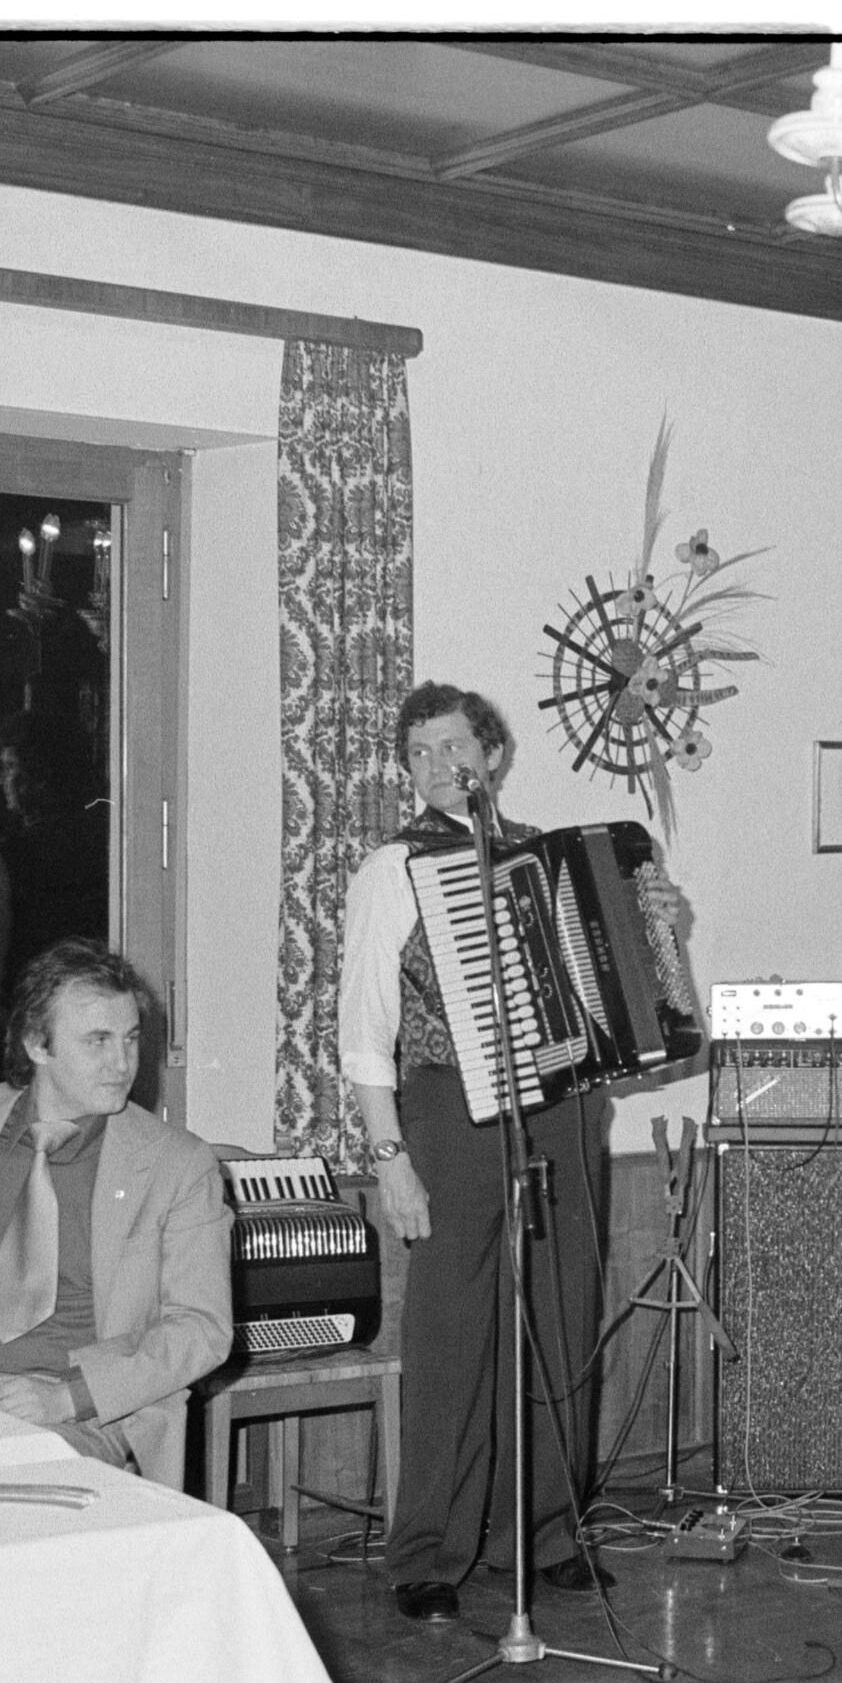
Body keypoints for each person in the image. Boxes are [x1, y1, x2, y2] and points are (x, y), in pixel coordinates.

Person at [339, 683, 610, 1624]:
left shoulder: (548, 857)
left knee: (561, 1314)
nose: (436, 765)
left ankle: (544, 1532)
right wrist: (390, 1158)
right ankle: (429, 1551)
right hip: (449, 1108)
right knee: (452, 1331)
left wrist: (649, 919)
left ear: (491, 755)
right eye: (417, 752)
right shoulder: (395, 868)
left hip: (561, 1105)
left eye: (452, 746)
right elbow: (363, 1030)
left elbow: (603, 979)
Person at [0, 938, 229, 1480]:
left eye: (131, 1039)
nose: (122, 1064)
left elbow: (202, 1328)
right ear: (38, 1044)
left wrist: (67, 1397)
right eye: (98, 1041)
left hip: (73, 1416)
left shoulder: (177, 1165)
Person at [0, 708, 107, 1084]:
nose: (1, 781)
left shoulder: (3, 861)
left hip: (31, 1062)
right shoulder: (112, 851)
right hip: (101, 1046)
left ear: (39, 776)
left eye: (9, 767)